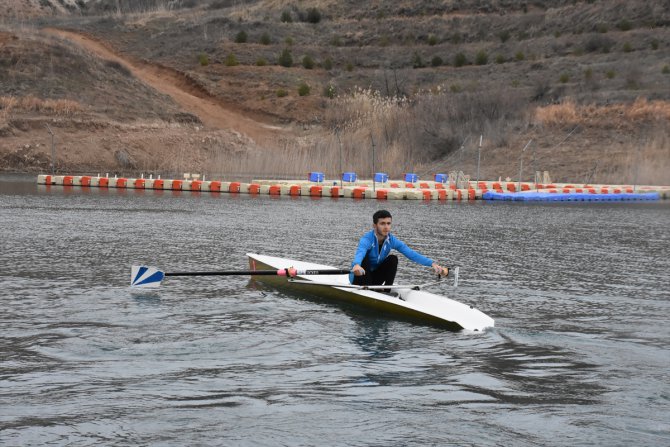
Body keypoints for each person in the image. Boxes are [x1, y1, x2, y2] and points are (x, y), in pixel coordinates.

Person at [351, 209, 448, 287]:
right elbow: (360, 252)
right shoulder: (367, 239)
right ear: (374, 225)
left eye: (388, 223)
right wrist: (356, 265)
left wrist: (432, 264)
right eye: (382, 223)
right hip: (359, 278)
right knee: (365, 257)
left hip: (374, 279)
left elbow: (411, 254)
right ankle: (368, 290)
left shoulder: (391, 240)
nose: (386, 227)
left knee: (393, 259)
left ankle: (387, 291)